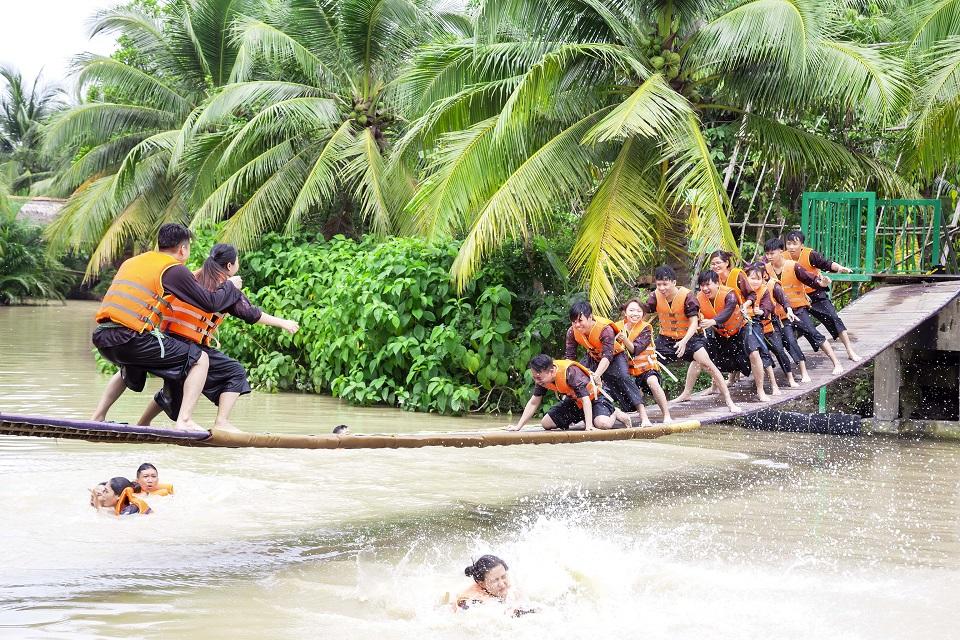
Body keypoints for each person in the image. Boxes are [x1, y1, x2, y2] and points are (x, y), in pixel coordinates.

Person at [91, 224, 244, 430]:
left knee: (132, 363)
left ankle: (97, 417)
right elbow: (210, 303)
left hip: (104, 338)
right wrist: (229, 286)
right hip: (131, 339)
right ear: (183, 249)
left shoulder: (134, 261)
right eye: (188, 248)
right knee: (200, 358)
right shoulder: (172, 268)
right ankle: (185, 420)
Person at [136, 243, 299, 432]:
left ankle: (141, 425)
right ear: (230, 266)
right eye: (237, 261)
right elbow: (251, 314)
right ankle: (221, 422)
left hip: (166, 343)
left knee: (173, 389)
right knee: (235, 372)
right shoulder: (226, 288)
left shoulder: (189, 277)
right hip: (189, 348)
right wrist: (284, 323)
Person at [639, 266, 741, 413]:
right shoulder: (655, 296)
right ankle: (638, 407)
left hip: (691, 338)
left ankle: (729, 402)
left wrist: (684, 341)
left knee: (708, 364)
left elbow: (694, 323)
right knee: (645, 366)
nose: (662, 288)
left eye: (665, 284)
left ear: (673, 282)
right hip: (666, 339)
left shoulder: (688, 296)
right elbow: (645, 313)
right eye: (659, 284)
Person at [763, 238, 844, 375]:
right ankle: (800, 373)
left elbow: (810, 279)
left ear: (781, 251)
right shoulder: (765, 269)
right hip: (781, 314)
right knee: (788, 341)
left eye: (772, 253)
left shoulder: (794, 266)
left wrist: (822, 283)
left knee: (813, 333)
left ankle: (837, 363)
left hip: (798, 309)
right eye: (767, 254)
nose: (769, 257)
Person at [564, 301, 649, 423]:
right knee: (577, 378)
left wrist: (596, 375)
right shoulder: (572, 332)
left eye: (580, 321)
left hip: (615, 356)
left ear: (590, 317)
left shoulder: (605, 329)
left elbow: (607, 356)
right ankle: (579, 414)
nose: (577, 325)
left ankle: (644, 416)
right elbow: (570, 357)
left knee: (624, 377)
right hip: (593, 356)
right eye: (574, 322)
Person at [785, 230, 861, 362]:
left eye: (795, 244)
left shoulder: (810, 255)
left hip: (815, 294)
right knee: (800, 328)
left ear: (801, 245)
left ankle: (850, 350)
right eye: (789, 243)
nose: (791, 247)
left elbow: (826, 264)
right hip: (795, 300)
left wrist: (839, 268)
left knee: (833, 318)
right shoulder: (783, 257)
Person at [505, 354, 633, 431]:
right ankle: (585, 418)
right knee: (546, 423)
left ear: (551, 371)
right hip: (575, 403)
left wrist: (589, 426)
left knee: (603, 424)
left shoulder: (571, 373)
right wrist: (518, 427)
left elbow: (586, 399)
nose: (537, 381)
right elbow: (534, 402)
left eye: (539, 377)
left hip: (595, 399)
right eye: (534, 377)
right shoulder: (543, 379)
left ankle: (615, 413)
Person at [696, 270, 771, 402]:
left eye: (708, 284)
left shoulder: (729, 294)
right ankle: (713, 386)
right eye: (702, 285)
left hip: (741, 327)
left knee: (754, 353)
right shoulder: (699, 298)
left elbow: (728, 310)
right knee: (702, 353)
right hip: (720, 332)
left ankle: (760, 390)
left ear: (717, 283)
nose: (705, 288)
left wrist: (712, 321)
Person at [615, 299, 672, 424]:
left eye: (638, 311)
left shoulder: (646, 328)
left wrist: (624, 339)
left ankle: (667, 415)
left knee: (653, 381)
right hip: (627, 371)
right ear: (625, 312)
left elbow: (635, 349)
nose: (635, 314)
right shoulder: (616, 327)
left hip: (646, 367)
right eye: (631, 310)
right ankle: (640, 417)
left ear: (643, 314)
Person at [744, 264, 800, 389]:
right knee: (754, 353)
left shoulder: (765, 290)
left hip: (767, 328)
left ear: (763, 278)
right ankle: (766, 383)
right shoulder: (741, 291)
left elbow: (768, 306)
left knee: (779, 350)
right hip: (750, 329)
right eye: (751, 278)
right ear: (745, 278)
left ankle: (790, 378)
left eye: (758, 279)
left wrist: (761, 312)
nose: (755, 281)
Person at [454, 555, 532, 616]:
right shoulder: (472, 601)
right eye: (495, 580)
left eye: (503, 577)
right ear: (481, 583)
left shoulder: (511, 586)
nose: (502, 584)